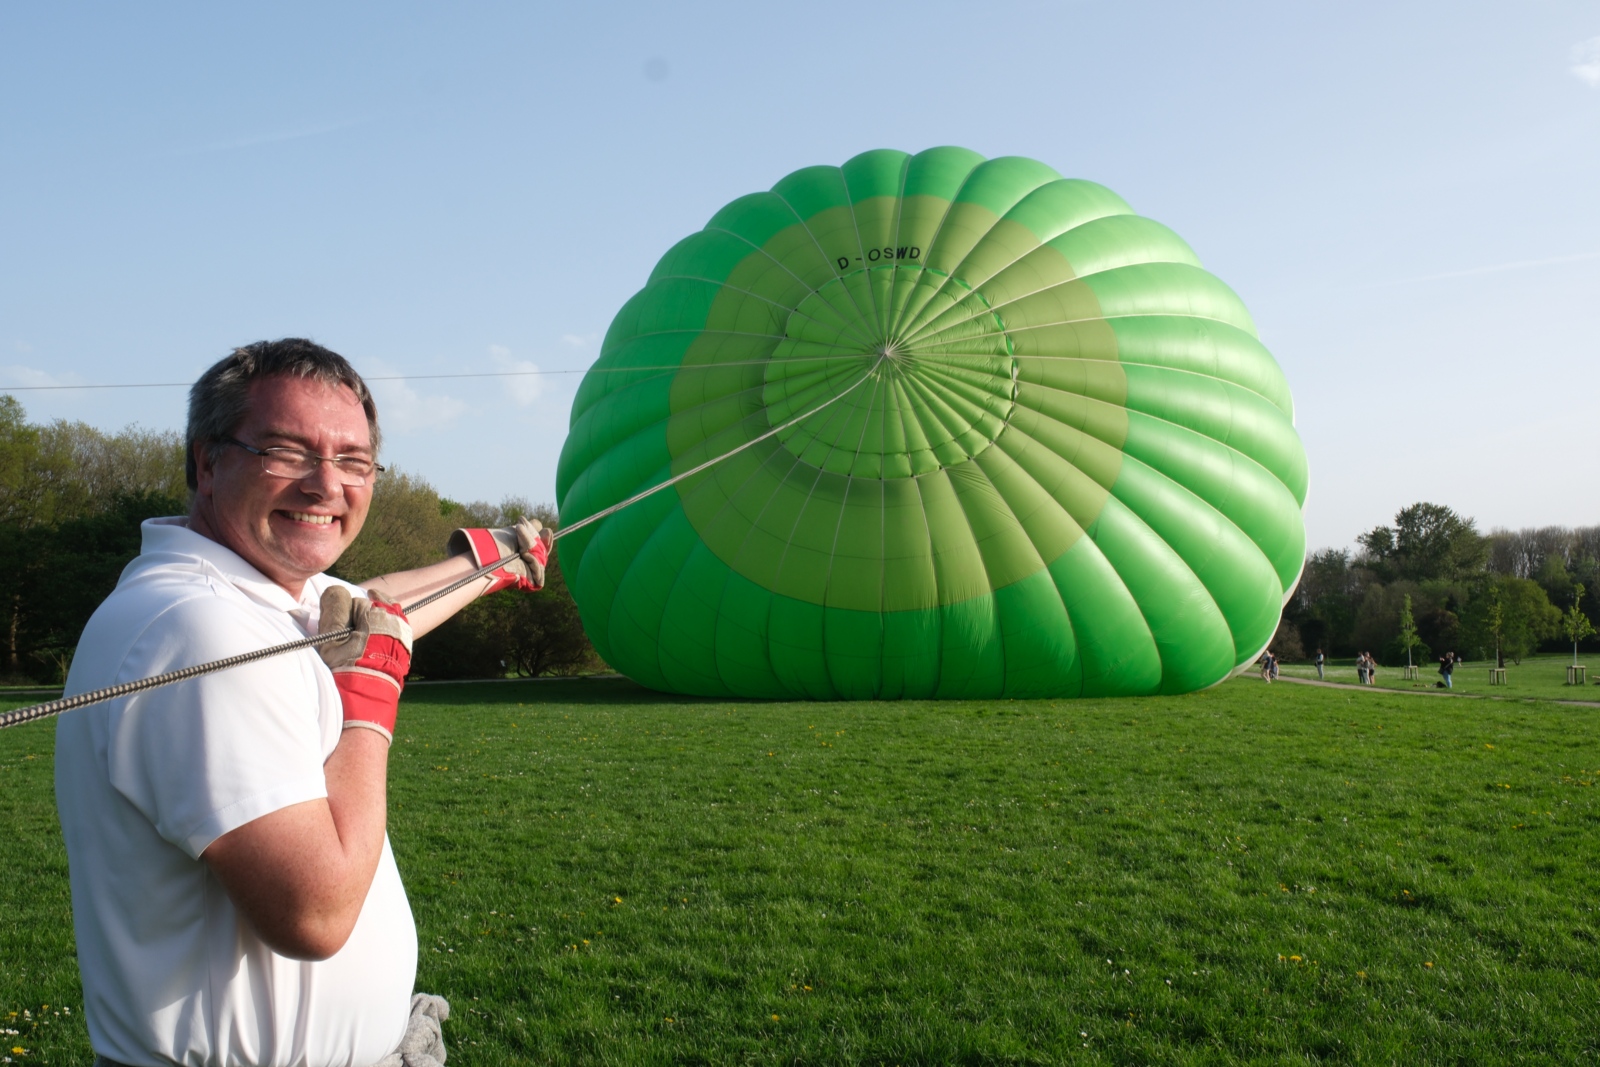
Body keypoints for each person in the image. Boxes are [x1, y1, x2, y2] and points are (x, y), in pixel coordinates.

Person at [54, 339, 552, 1067]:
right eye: (287, 451)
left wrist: (496, 559)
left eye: (353, 461)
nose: (327, 485)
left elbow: (371, 605)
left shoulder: (254, 597)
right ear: (206, 461)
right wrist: (370, 690)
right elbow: (313, 913)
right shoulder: (197, 629)